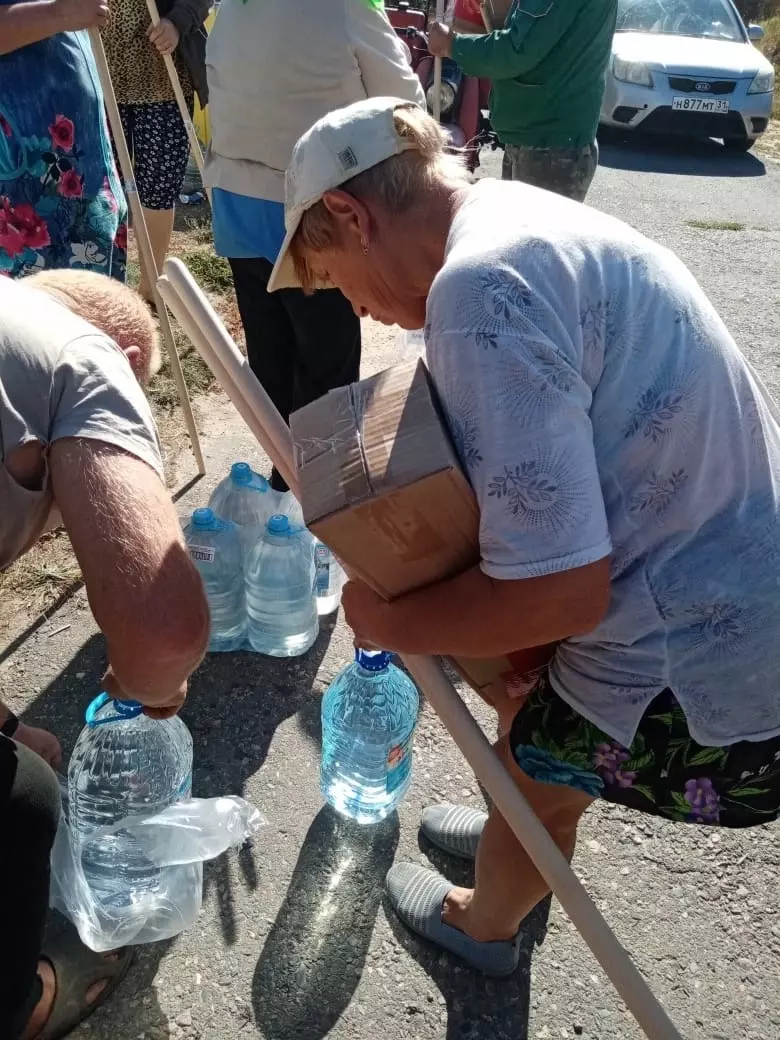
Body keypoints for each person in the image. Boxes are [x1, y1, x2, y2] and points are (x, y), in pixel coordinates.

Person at [269, 97, 780, 976]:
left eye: (333, 278)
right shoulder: (520, 219)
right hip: (732, 580)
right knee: (518, 702)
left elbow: (561, 594)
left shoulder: (480, 292)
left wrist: (386, 623)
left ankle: (488, 924)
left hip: (712, 672)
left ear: (353, 216)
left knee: (532, 757)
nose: (357, 309)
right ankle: (526, 814)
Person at [1, 270, 210, 1037]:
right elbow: (165, 629)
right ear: (127, 354)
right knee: (21, 800)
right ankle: (22, 1006)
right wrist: (143, 697)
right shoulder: (86, 358)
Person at [203, 0, 425, 492]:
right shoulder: (347, 5)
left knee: (269, 351)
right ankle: (321, 489)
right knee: (326, 357)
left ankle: (284, 477)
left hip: (239, 197)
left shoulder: (232, 8)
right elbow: (405, 104)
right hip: (315, 206)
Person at [428, 0, 618, 202]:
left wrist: (452, 45)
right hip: (544, 139)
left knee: (533, 230)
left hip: (547, 144)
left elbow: (517, 50)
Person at [0, 0, 127, 279]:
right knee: (25, 319)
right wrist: (59, 13)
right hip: (22, 196)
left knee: (92, 312)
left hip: (85, 172)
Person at [102, 0, 209, 303]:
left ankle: (150, 288)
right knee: (105, 190)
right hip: (100, 77)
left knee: (158, 187)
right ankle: (107, 285)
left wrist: (177, 21)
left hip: (164, 78)